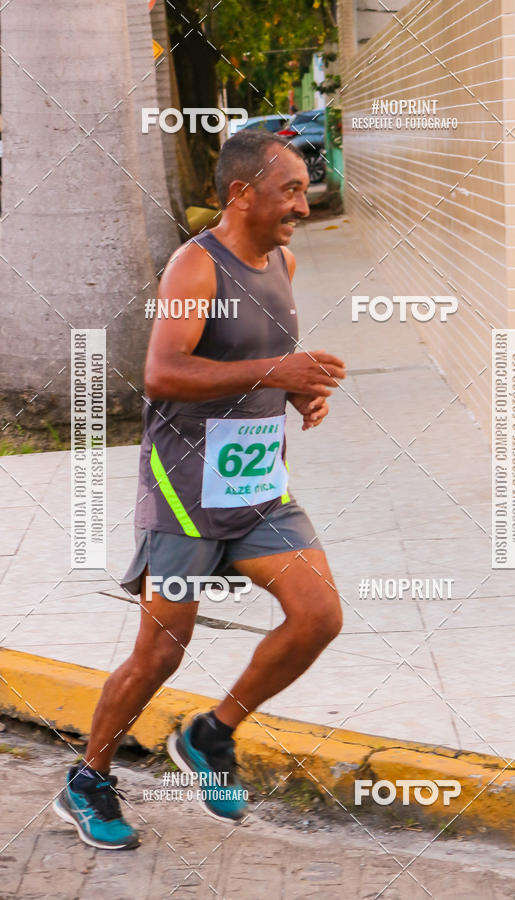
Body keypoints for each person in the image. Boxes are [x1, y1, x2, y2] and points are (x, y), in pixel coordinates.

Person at [54, 131, 346, 850]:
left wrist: (300, 395)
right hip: (185, 490)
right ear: (241, 194)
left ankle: (211, 735)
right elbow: (163, 374)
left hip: (257, 488)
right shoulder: (194, 268)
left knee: (319, 616)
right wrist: (280, 371)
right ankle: (87, 780)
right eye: (289, 191)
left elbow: (256, 361)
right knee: (161, 652)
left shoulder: (283, 259)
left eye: (303, 190)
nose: (302, 206)